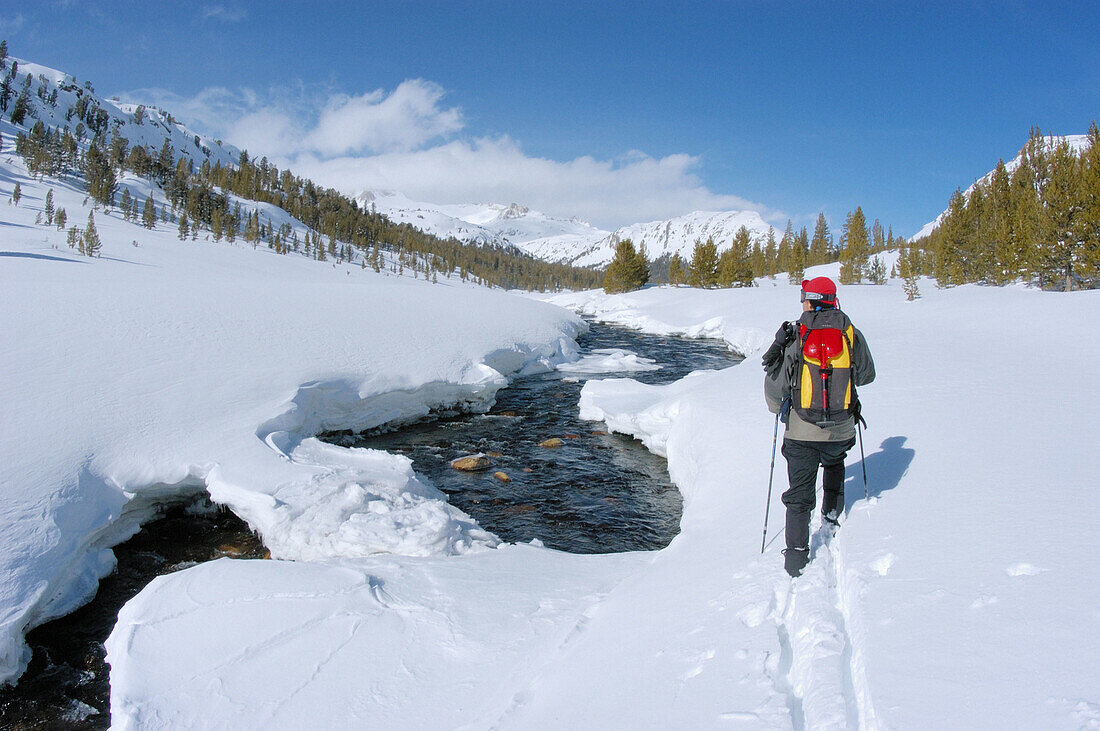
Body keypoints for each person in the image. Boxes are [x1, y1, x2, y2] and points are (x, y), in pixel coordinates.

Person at [761, 276, 875, 577]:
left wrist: (778, 409)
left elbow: (776, 384)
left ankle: (796, 558)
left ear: (810, 300)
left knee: (799, 493)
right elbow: (866, 375)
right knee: (835, 463)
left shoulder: (797, 335)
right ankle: (832, 517)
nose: (801, 301)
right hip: (842, 427)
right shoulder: (851, 334)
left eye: (803, 297)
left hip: (801, 431)